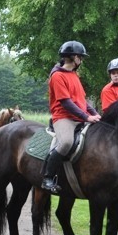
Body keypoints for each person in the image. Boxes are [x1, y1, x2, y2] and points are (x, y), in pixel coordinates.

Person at [42, 40, 101, 193]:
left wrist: (95, 113)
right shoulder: (57, 76)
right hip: (64, 117)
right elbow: (66, 103)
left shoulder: (74, 75)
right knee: (66, 142)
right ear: (74, 57)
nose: (81, 60)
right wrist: (87, 117)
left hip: (79, 117)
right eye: (80, 57)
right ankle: (47, 178)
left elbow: (82, 100)